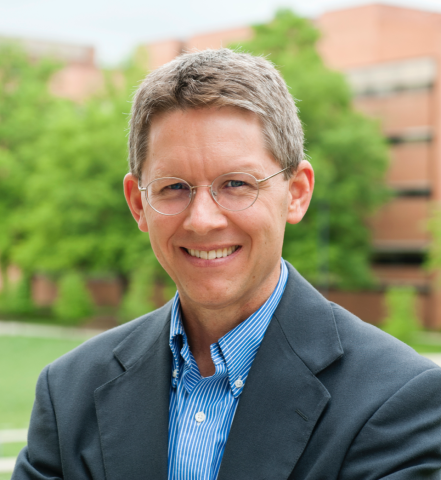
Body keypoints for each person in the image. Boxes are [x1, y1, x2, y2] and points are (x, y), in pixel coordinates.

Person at [13, 49, 441, 480]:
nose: (202, 220)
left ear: (296, 192)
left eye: (236, 184)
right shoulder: (68, 393)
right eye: (174, 187)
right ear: (138, 203)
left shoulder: (400, 399)